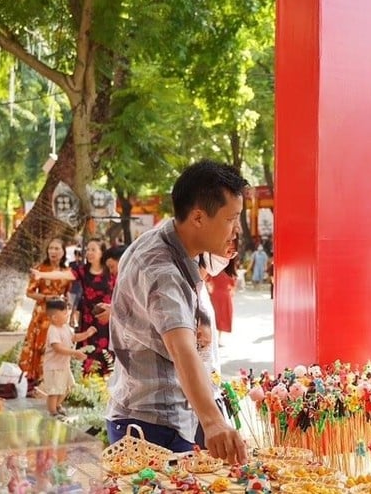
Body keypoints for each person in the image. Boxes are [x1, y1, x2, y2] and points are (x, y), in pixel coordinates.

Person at [106, 160, 248, 462]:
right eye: (231, 219)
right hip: (153, 429)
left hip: (169, 419)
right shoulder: (162, 271)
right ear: (198, 217)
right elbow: (182, 350)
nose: (236, 229)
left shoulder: (175, 239)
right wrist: (213, 423)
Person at [32, 238, 115, 375]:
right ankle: (88, 385)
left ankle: (105, 385)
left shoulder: (110, 271)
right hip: (88, 319)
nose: (89, 252)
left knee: (107, 354)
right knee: (88, 351)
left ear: (102, 253)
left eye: (93, 249)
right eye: (88, 249)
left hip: (108, 320)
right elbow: (61, 274)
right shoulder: (82, 270)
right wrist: (41, 274)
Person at [19, 238, 73, 390]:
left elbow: (69, 294)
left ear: (63, 252)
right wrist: (45, 298)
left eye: (57, 249)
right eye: (50, 249)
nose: (53, 252)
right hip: (42, 313)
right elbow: (29, 293)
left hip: (60, 314)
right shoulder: (40, 269)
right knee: (40, 343)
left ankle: (55, 379)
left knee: (57, 344)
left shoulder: (66, 272)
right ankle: (36, 378)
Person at [41, 299, 95, 417]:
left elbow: (74, 337)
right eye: (65, 314)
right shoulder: (53, 330)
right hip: (54, 367)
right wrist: (74, 353)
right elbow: (58, 348)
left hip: (63, 366)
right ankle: (53, 412)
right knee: (54, 391)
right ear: (55, 317)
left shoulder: (65, 327)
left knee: (68, 387)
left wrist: (87, 334)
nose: (67, 316)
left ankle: (57, 405)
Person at [207, 256, 236, 342]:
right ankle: (218, 339)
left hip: (215, 295)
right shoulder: (229, 274)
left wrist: (211, 291)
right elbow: (233, 287)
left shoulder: (214, 272)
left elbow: (208, 283)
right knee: (222, 316)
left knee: (215, 315)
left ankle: (214, 338)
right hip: (225, 296)